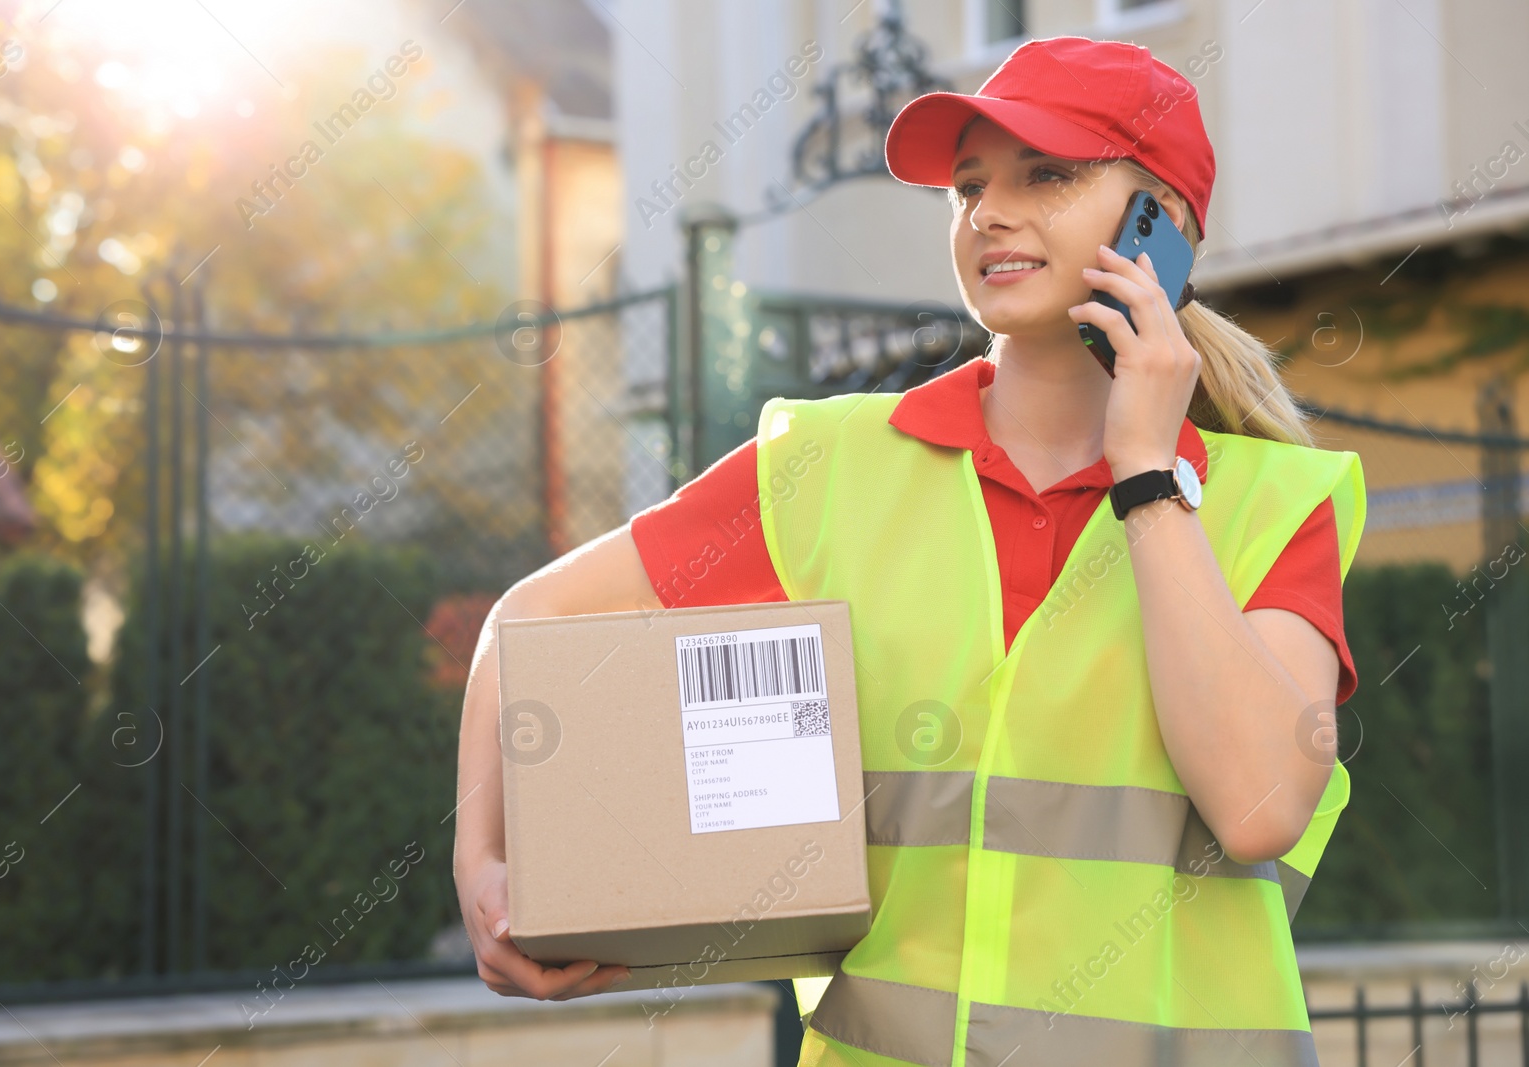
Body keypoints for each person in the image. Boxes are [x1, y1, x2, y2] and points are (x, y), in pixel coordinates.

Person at [454, 33, 1365, 1065]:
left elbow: (1257, 807)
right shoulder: (830, 464)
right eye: (969, 186)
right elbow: (525, 622)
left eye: (1048, 175)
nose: (991, 213)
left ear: (1164, 225)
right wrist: (479, 863)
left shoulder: (1272, 501)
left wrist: (1147, 476)